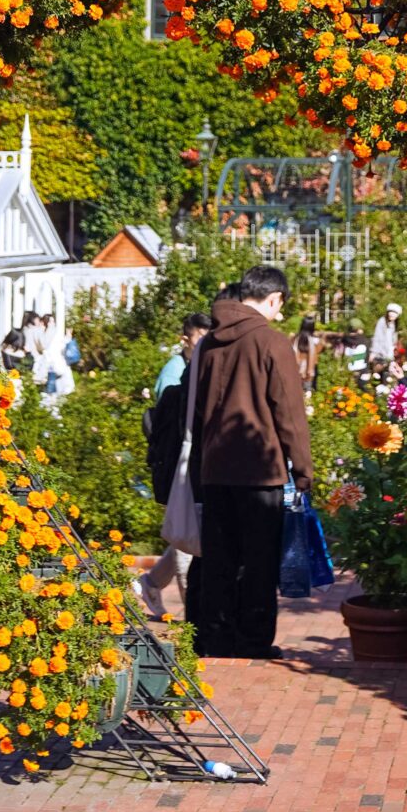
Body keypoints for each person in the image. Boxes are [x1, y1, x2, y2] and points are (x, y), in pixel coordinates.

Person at [186, 264, 312, 658]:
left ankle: (216, 636)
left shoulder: (208, 344)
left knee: (219, 559)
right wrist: (303, 468)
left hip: (214, 468)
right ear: (273, 299)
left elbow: (197, 410)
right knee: (258, 562)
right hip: (261, 469)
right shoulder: (271, 342)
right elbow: (289, 412)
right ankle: (253, 640)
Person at [139, 310, 214, 619]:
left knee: (187, 534)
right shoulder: (175, 372)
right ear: (185, 339)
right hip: (177, 467)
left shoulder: (197, 366)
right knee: (186, 541)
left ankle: (151, 582)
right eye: (199, 338)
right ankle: (192, 614)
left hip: (193, 466)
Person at [368, 302, 401, 380]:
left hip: (389, 353)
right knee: (378, 373)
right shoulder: (382, 321)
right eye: (390, 312)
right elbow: (377, 337)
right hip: (380, 353)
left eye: (394, 313)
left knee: (388, 374)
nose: (392, 314)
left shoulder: (394, 324)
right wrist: (373, 352)